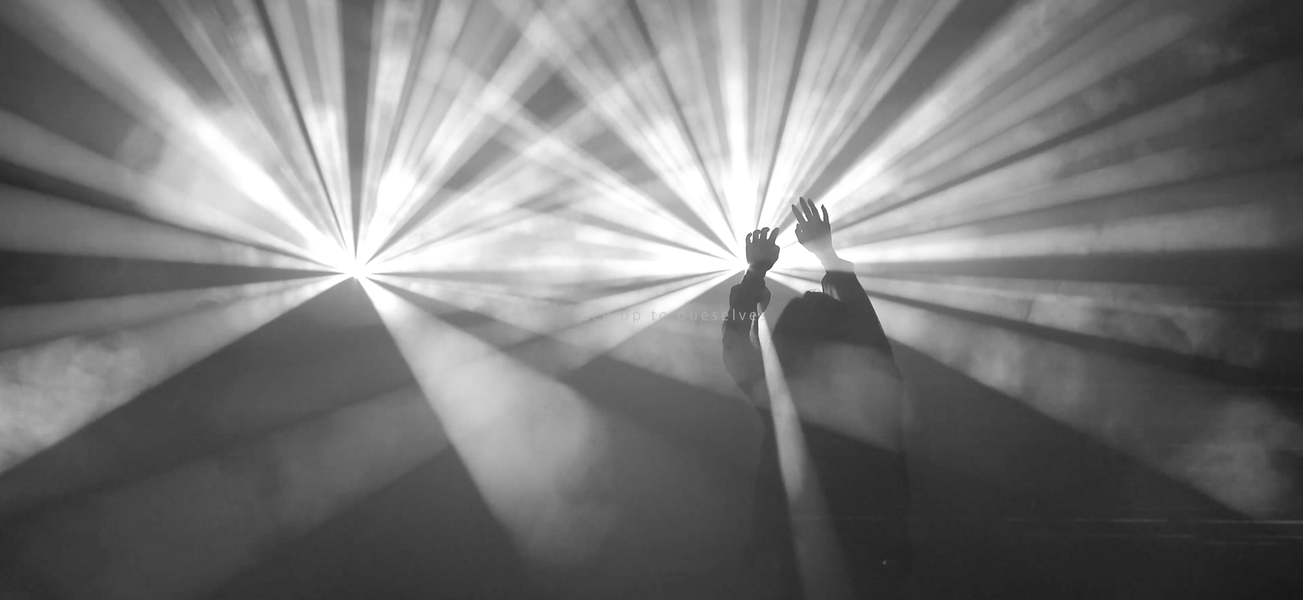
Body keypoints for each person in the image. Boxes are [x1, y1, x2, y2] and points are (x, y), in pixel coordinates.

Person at [723, 197, 911, 599]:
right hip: (871, 571)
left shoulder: (784, 405)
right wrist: (827, 255)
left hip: (789, 569)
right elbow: (870, 335)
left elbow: (735, 347)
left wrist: (755, 274)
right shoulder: (876, 394)